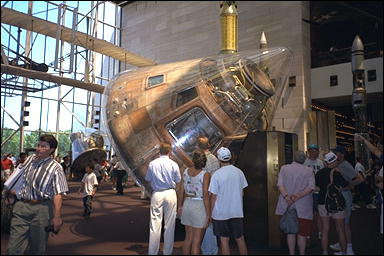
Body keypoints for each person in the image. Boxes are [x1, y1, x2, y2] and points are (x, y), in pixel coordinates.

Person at [3, 134, 69, 255]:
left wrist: (57, 216)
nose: (39, 148)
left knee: (37, 248)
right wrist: (14, 192)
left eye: (43, 146)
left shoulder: (56, 168)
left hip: (41, 210)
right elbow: (20, 178)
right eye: (38, 145)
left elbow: (57, 194)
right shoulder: (29, 159)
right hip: (21, 207)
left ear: (52, 150)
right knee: (13, 249)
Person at [209, 147, 248, 255]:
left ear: (218, 158)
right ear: (230, 157)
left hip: (220, 214)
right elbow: (242, 192)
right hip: (237, 212)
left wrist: (210, 213)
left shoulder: (216, 175)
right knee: (240, 239)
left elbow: (213, 196)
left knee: (224, 240)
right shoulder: (239, 172)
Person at [275, 151, 315, 255]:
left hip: (287, 205)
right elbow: (311, 188)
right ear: (305, 159)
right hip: (304, 207)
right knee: (302, 234)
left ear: (293, 158)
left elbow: (280, 184)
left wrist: (287, 197)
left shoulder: (284, 168)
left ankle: (291, 253)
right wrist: (297, 196)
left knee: (291, 232)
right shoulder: (309, 170)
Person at [145, 142, 181, 255]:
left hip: (157, 194)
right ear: (170, 152)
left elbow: (147, 178)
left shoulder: (152, 164)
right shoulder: (174, 164)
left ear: (159, 151)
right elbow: (178, 180)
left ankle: (152, 252)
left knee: (155, 224)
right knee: (170, 225)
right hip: (170, 193)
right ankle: (167, 252)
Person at [329, 145, 364, 255]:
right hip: (341, 196)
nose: (334, 154)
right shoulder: (339, 165)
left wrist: (347, 186)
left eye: (336, 153)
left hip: (344, 196)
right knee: (341, 223)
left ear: (342, 155)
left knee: (345, 223)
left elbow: (360, 179)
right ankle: (342, 243)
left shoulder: (344, 165)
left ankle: (349, 248)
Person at [315, 152, 349, 255]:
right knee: (341, 230)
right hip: (336, 203)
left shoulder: (319, 173)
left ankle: (325, 252)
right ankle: (344, 252)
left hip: (322, 203)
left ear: (326, 162)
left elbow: (317, 187)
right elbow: (346, 186)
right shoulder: (338, 172)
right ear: (333, 161)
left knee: (325, 230)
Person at [177, 150, 210, 255]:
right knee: (196, 242)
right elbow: (205, 195)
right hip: (199, 206)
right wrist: (209, 214)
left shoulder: (186, 172)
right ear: (204, 161)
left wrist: (180, 206)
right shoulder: (205, 174)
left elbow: (181, 191)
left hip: (187, 204)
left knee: (188, 238)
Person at [197, 136, 220, 255]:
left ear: (198, 146)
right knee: (209, 222)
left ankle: (206, 250)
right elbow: (215, 180)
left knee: (203, 223)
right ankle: (212, 250)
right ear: (209, 145)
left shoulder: (199, 160)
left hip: (200, 195)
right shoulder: (214, 160)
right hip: (211, 194)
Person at [304, 144, 325, 241]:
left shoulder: (320, 163)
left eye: (314, 150)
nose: (313, 152)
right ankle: (307, 233)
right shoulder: (304, 162)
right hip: (307, 193)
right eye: (311, 150)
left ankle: (320, 233)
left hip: (318, 193)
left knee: (319, 214)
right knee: (308, 214)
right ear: (308, 151)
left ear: (317, 152)